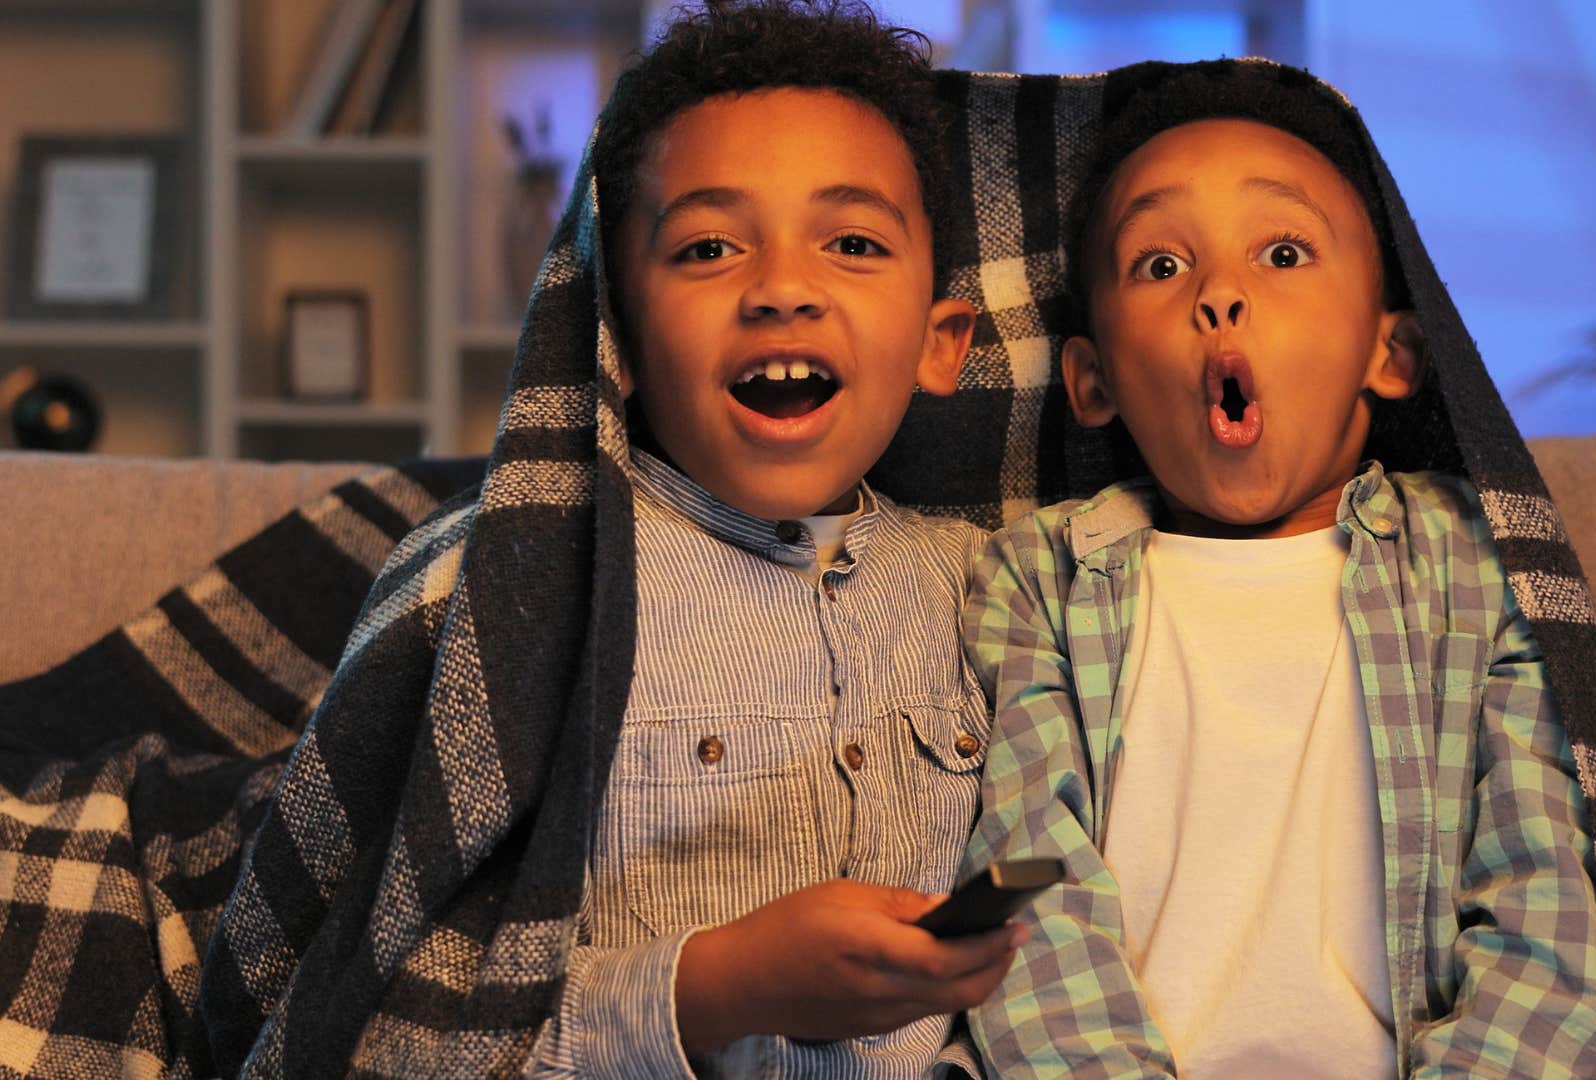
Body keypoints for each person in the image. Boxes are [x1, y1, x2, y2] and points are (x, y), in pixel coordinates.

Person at [201, 3, 1016, 1076]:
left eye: (853, 242)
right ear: (617, 339)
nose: (780, 290)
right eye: (709, 246)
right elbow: (382, 1021)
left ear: (940, 344)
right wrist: (718, 989)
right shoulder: (521, 586)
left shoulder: (998, 594)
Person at [961, 63, 1596, 1078]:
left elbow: (1542, 910)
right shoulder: (1039, 580)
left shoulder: (1475, 566)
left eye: (1282, 252)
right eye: (1161, 266)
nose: (1221, 294)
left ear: (1392, 352)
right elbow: (1029, 888)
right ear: (1091, 381)